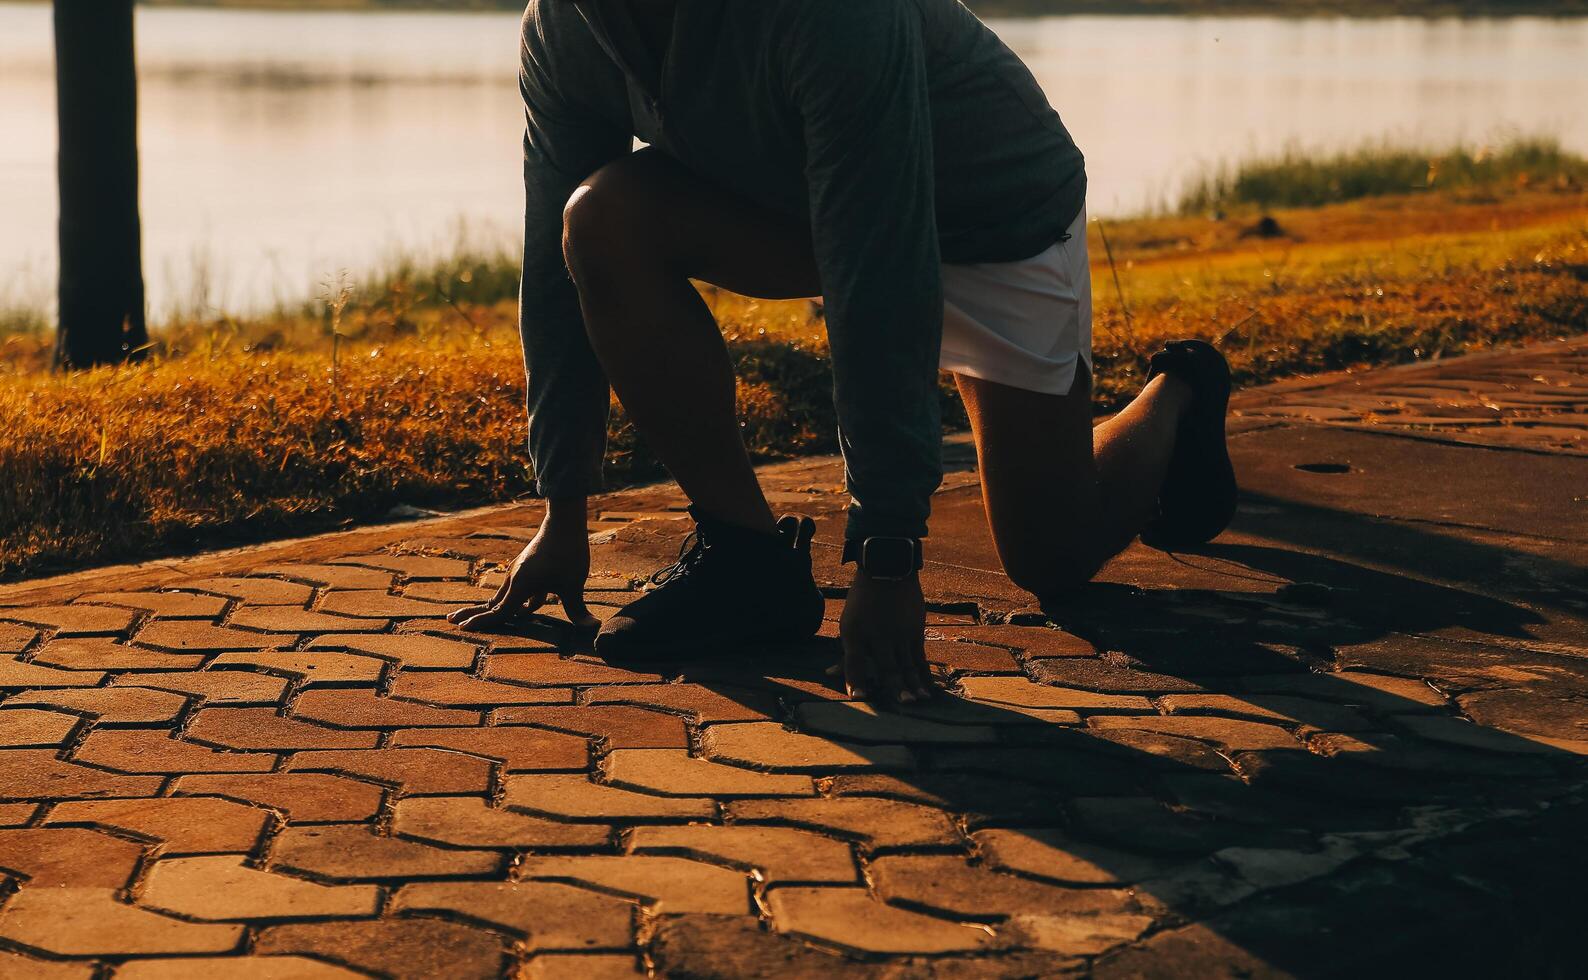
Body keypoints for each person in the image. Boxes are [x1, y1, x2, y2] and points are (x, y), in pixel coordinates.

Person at [449, 0, 1237, 704]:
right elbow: (556, 271)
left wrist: (887, 556)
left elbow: (879, 268)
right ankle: (745, 559)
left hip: (991, 220)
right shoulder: (561, 27)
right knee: (599, 219)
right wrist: (564, 511)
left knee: (1050, 559)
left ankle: (1178, 390)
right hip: (812, 210)